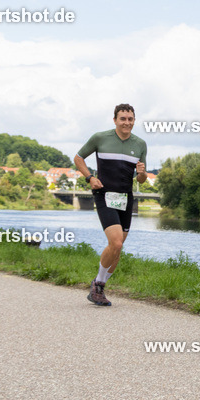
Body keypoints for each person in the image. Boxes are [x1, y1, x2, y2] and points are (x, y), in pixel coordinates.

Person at [74, 103, 148, 306]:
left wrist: (141, 173)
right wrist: (90, 177)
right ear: (115, 120)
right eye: (123, 118)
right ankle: (97, 285)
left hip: (126, 197)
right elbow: (78, 158)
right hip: (104, 194)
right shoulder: (100, 138)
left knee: (118, 247)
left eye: (130, 119)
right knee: (115, 242)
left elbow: (141, 180)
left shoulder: (140, 144)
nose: (127, 122)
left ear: (134, 121)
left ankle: (100, 286)